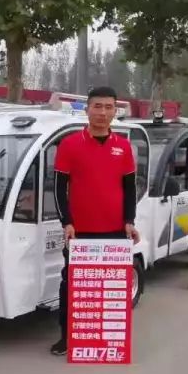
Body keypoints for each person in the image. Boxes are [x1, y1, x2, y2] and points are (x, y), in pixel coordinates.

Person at [50, 86, 140, 357]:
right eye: (97, 106)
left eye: (108, 107)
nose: (103, 112)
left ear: (115, 111)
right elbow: (59, 188)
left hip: (115, 230)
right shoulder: (69, 144)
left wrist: (130, 220)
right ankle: (66, 336)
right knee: (71, 284)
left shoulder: (123, 146)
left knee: (111, 285)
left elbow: (130, 188)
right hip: (79, 231)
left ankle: (105, 337)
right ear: (87, 109)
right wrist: (66, 222)